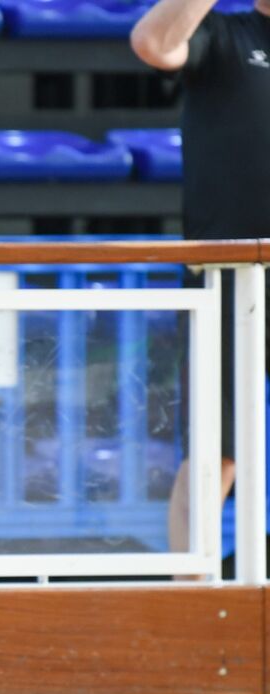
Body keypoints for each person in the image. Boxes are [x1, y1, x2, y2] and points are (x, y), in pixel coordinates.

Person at [130, 0, 270, 577]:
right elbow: (153, 45)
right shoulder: (224, 35)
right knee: (216, 454)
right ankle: (194, 602)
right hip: (229, 272)